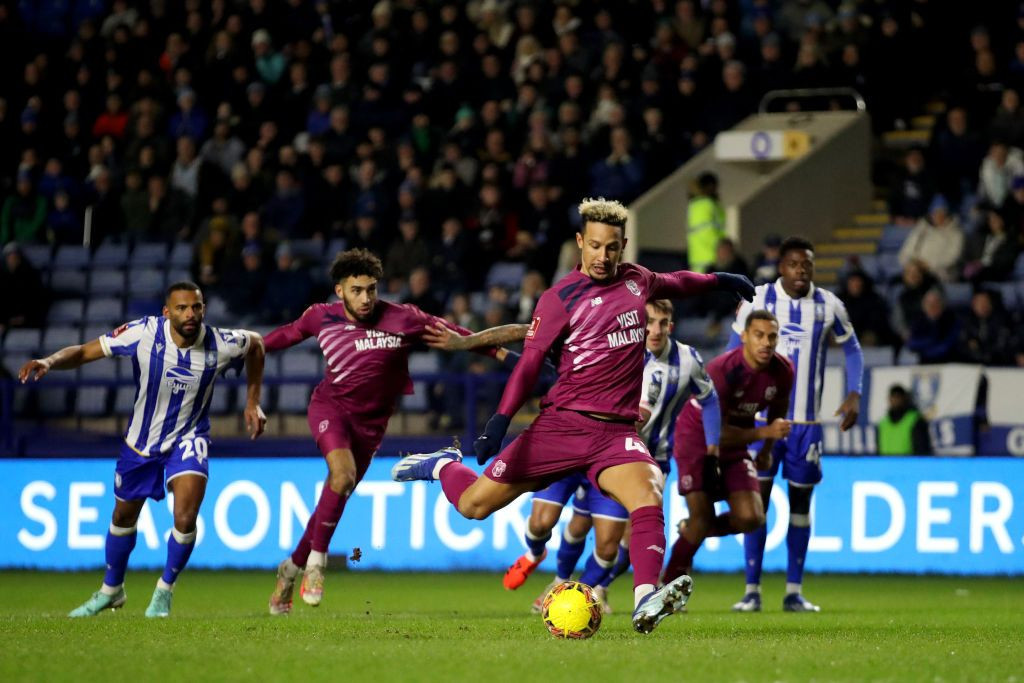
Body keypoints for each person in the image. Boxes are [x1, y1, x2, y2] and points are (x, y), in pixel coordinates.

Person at [391, 198, 754, 634]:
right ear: (581, 242)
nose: (603, 256)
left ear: (623, 246)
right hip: (561, 426)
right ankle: (442, 465)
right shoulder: (559, 298)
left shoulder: (637, 281)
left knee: (649, 493)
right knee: (473, 505)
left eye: (612, 247)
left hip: (615, 434)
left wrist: (720, 280)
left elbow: (678, 281)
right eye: (595, 246)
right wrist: (499, 421)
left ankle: (645, 599)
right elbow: (529, 363)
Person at [264, 249, 525, 615]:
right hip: (330, 410)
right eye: (356, 290)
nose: (365, 298)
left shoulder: (404, 318)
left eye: (371, 289)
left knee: (337, 492)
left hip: (371, 427)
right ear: (339, 291)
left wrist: (513, 360)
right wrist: (243, 348)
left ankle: (290, 569)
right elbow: (281, 337)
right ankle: (316, 566)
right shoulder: (320, 317)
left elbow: (462, 337)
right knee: (342, 475)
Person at [16, 282, 267, 618]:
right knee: (123, 517)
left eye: (196, 307)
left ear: (203, 309)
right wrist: (49, 361)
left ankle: (164, 591)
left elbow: (256, 344)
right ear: (167, 312)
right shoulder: (144, 333)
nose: (190, 314)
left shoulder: (220, 342)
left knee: (185, 517)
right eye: (181, 308)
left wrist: (252, 402)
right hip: (141, 441)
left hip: (189, 437)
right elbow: (86, 352)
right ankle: (111, 590)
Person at [493, 299, 721, 614]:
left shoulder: (686, 360)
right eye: (648, 322)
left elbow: (707, 399)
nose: (655, 330)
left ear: (671, 325)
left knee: (619, 541)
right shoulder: (614, 349)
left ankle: (595, 589)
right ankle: (551, 572)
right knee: (564, 524)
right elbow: (547, 367)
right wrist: (498, 352)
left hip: (641, 459)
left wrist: (712, 449)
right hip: (584, 447)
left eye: (662, 322)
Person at [729, 236, 864, 613]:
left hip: (806, 425)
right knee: (756, 505)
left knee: (802, 505)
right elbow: (731, 349)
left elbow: (852, 349)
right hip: (761, 422)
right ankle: (752, 590)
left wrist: (855, 392)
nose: (801, 270)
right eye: (794, 264)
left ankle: (793, 591)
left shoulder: (828, 305)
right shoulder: (759, 298)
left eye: (807, 264)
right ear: (781, 267)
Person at [662, 310, 793, 585]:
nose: (766, 343)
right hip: (697, 439)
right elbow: (718, 433)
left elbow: (777, 412)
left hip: (737, 441)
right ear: (744, 336)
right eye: (759, 335)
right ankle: (668, 583)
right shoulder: (722, 371)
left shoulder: (782, 371)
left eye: (772, 337)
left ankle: (690, 530)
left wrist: (766, 450)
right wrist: (765, 433)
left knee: (751, 518)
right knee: (702, 516)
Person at [685, 172, 725, 273]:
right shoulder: (708, 204)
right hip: (712, 259)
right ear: (711, 186)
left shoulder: (694, 204)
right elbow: (709, 232)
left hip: (697, 260)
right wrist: (722, 249)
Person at [877, 385, 931, 455]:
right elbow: (879, 449)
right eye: (893, 397)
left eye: (898, 397)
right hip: (885, 462)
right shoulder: (883, 424)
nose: (895, 400)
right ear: (889, 399)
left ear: (904, 398)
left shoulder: (915, 420)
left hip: (908, 462)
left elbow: (922, 450)